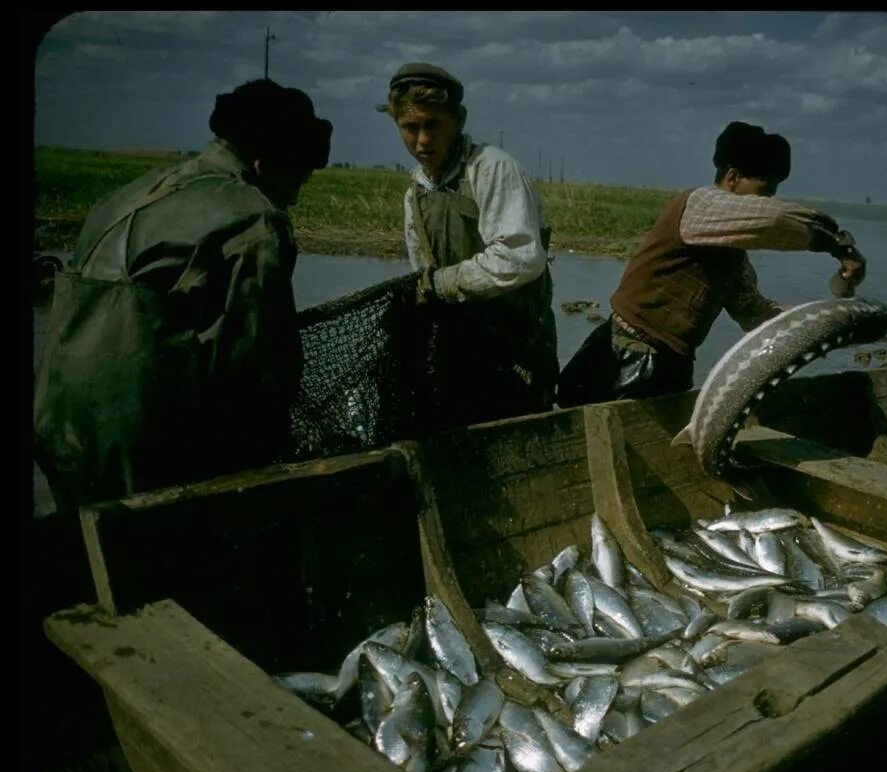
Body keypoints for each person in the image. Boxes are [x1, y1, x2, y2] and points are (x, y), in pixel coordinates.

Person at [33, 78, 332, 510]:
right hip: (136, 444)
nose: (297, 200)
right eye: (299, 182)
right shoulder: (256, 219)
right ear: (265, 164)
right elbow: (259, 367)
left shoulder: (133, 192)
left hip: (53, 426)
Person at [556, 120, 867, 408]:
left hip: (669, 369)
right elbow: (773, 220)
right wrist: (836, 243)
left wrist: (823, 321)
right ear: (731, 177)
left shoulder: (733, 257)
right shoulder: (697, 205)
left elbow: (755, 313)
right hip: (624, 359)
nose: (768, 201)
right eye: (764, 192)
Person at [380, 62, 559, 431]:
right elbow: (422, 273)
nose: (423, 141)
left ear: (458, 120)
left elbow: (520, 257)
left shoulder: (491, 168)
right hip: (462, 352)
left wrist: (441, 285)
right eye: (410, 128)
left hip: (517, 351)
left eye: (433, 125)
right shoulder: (416, 191)